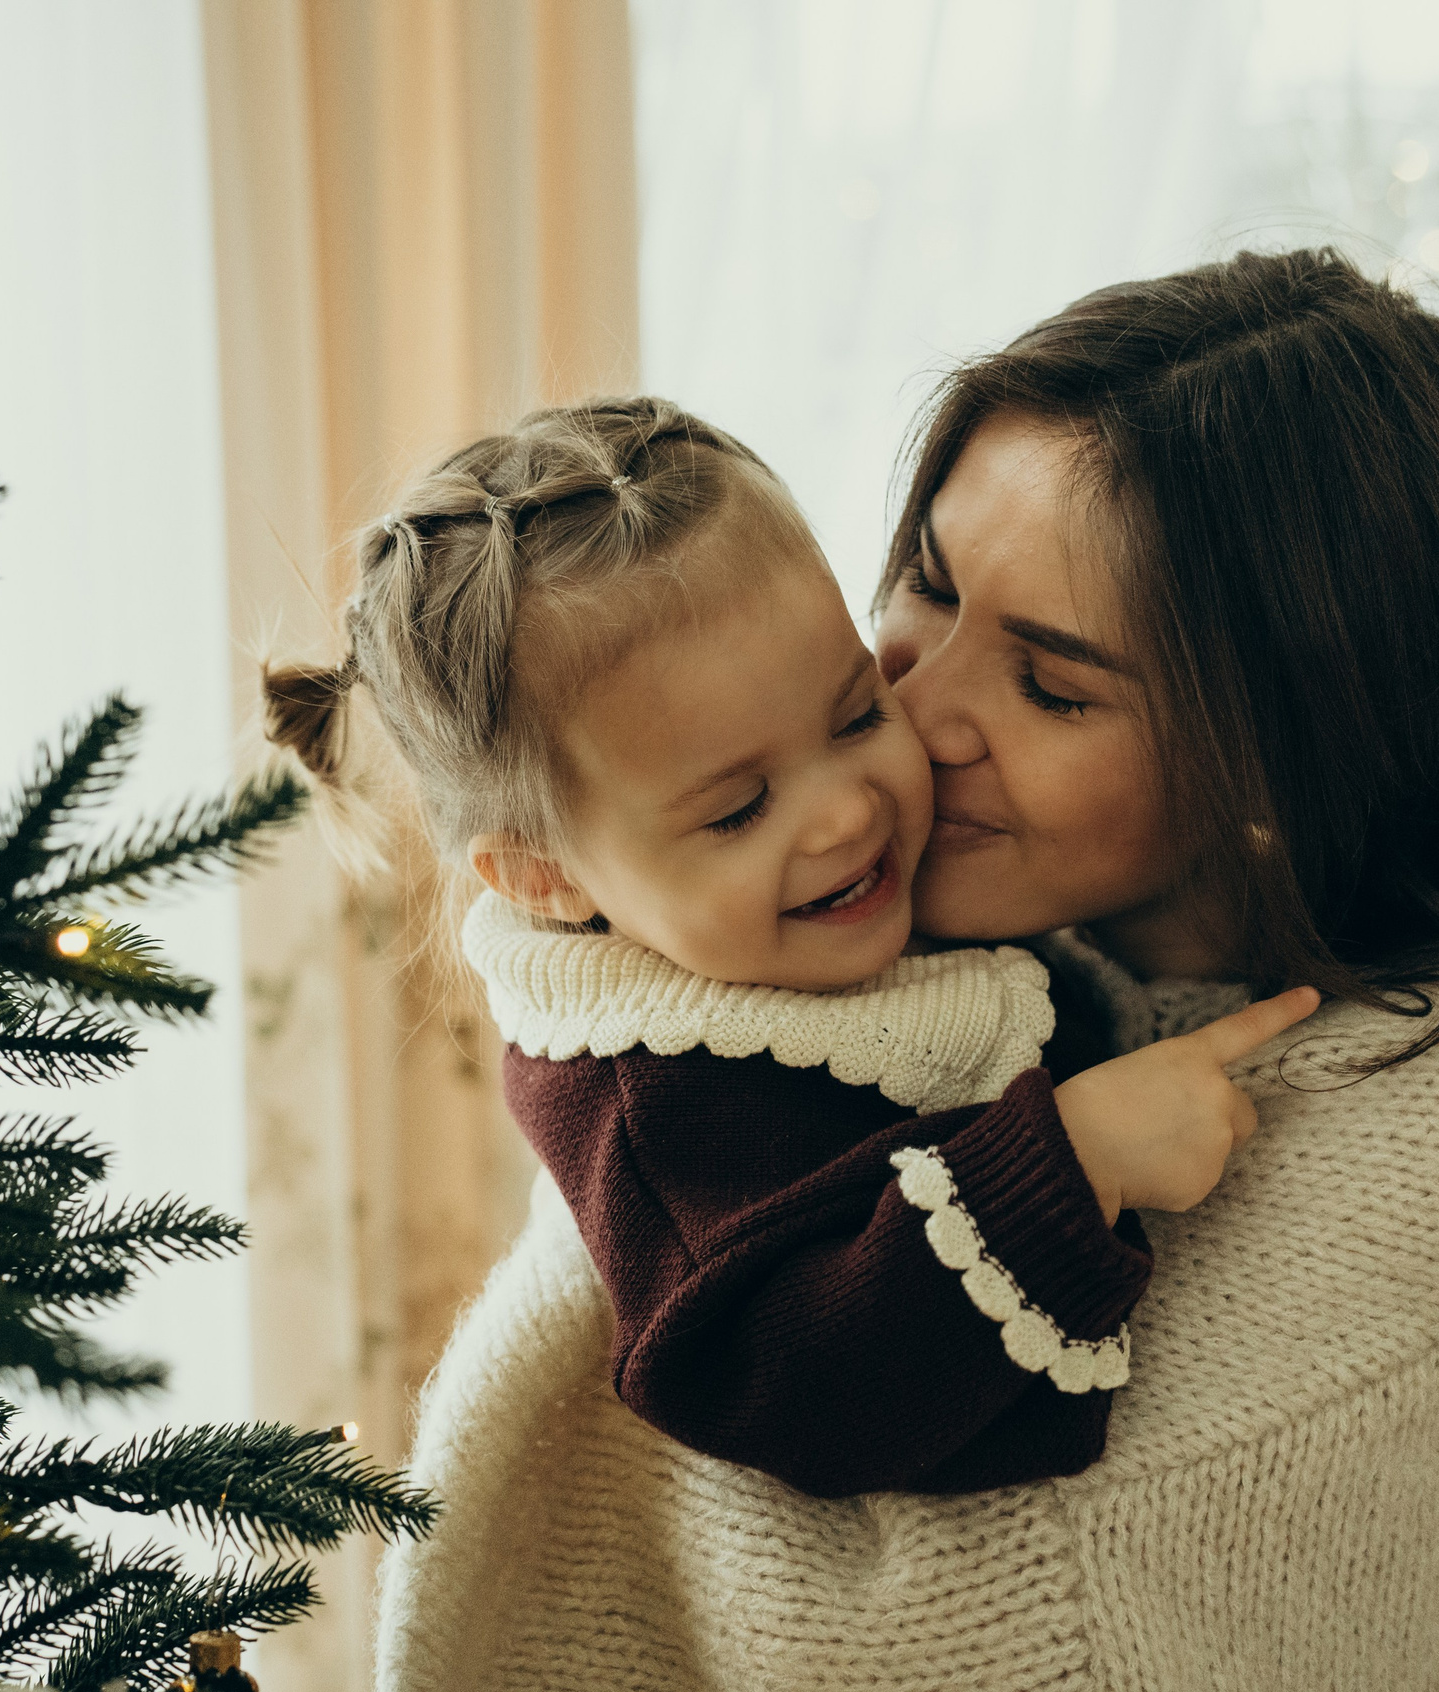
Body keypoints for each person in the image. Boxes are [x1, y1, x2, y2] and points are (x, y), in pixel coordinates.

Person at [371, 251, 1439, 1692]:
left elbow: (990, 1632)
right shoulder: (805, 991)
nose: (911, 717)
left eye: (1052, 684)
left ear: (1285, 763)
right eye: (927, 590)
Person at [265, 395, 1317, 1500]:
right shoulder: (657, 1101)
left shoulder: (837, 925)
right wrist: (1072, 1162)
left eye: (859, 715)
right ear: (548, 876)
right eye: (736, 809)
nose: (844, 815)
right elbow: (778, 1379)